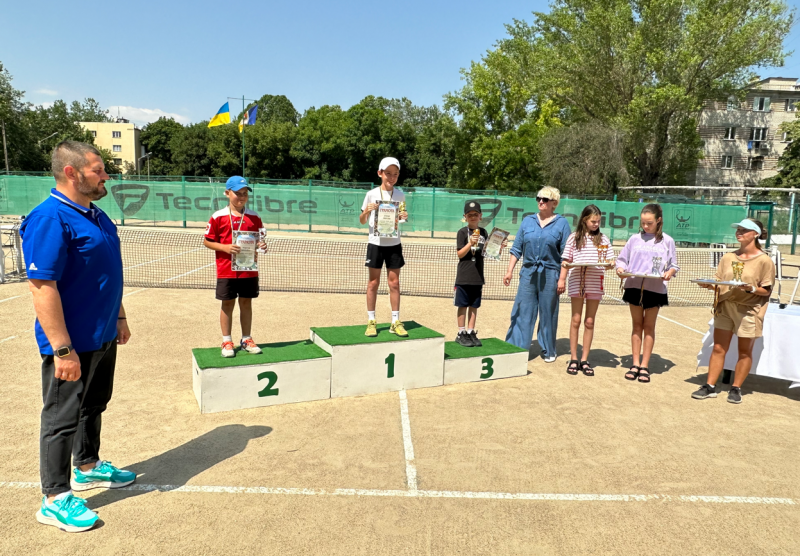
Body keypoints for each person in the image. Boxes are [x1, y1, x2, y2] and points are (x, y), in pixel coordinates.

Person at [20, 141, 135, 533]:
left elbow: (110, 273)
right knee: (61, 418)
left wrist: (118, 315)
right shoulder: (50, 218)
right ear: (72, 173)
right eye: (98, 170)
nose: (106, 176)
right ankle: (54, 498)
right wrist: (63, 349)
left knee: (94, 403)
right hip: (71, 343)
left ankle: (87, 466)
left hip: (102, 334)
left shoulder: (98, 216)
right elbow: (42, 286)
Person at [692, 219, 774, 404]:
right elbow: (720, 282)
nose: (739, 232)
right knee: (719, 348)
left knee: (744, 351)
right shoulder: (728, 257)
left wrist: (751, 289)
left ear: (755, 234)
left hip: (749, 311)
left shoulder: (764, 261)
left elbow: (766, 290)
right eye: (738, 229)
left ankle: (736, 388)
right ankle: (710, 386)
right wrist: (707, 284)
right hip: (725, 307)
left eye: (744, 230)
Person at [504, 186, 572, 362]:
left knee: (548, 312)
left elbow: (566, 255)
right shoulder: (527, 221)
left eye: (545, 199)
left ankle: (548, 350)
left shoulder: (562, 224)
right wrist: (509, 271)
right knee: (522, 310)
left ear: (554, 203)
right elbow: (517, 248)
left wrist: (562, 279)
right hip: (528, 273)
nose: (540, 202)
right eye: (538, 198)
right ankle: (516, 349)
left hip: (551, 274)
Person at [203, 176, 267, 357]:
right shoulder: (218, 216)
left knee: (246, 303)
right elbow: (207, 241)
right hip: (226, 270)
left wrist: (261, 245)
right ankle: (226, 341)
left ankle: (246, 338)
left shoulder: (254, 217)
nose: (242, 197)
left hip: (248, 269)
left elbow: (259, 239)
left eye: (245, 194)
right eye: (238, 193)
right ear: (227, 193)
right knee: (227, 304)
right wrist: (224, 247)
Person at [615, 203, 679, 383]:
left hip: (655, 289)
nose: (645, 226)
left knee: (649, 327)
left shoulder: (667, 241)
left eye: (649, 223)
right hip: (634, 286)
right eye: (643, 223)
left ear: (659, 221)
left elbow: (673, 265)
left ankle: (644, 365)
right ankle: (634, 364)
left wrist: (669, 273)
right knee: (637, 326)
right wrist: (621, 269)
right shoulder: (634, 239)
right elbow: (621, 260)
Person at [558, 205, 614, 376]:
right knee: (576, 320)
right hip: (576, 281)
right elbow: (566, 261)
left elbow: (610, 261)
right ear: (584, 220)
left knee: (589, 321)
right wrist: (562, 279)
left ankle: (585, 359)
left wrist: (611, 264)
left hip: (595, 282)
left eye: (598, 221)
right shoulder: (573, 238)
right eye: (593, 221)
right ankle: (574, 358)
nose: (596, 224)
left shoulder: (603, 239)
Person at [360, 157, 409, 337]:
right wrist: (367, 210)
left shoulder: (400, 195)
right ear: (380, 173)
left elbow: (401, 218)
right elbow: (362, 220)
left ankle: (395, 321)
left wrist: (404, 215)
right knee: (373, 283)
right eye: (388, 173)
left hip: (394, 244)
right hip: (375, 243)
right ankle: (371, 321)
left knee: (394, 284)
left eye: (395, 174)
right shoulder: (371, 194)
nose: (391, 177)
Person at [454, 201, 489, 347]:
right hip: (464, 276)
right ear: (465, 217)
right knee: (462, 305)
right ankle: (461, 333)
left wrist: (498, 247)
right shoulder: (462, 232)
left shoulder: (484, 232)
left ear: (480, 216)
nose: (473, 217)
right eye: (470, 215)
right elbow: (460, 254)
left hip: (478, 277)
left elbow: (487, 252)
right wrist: (470, 243)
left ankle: (470, 331)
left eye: (475, 214)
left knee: (474, 306)